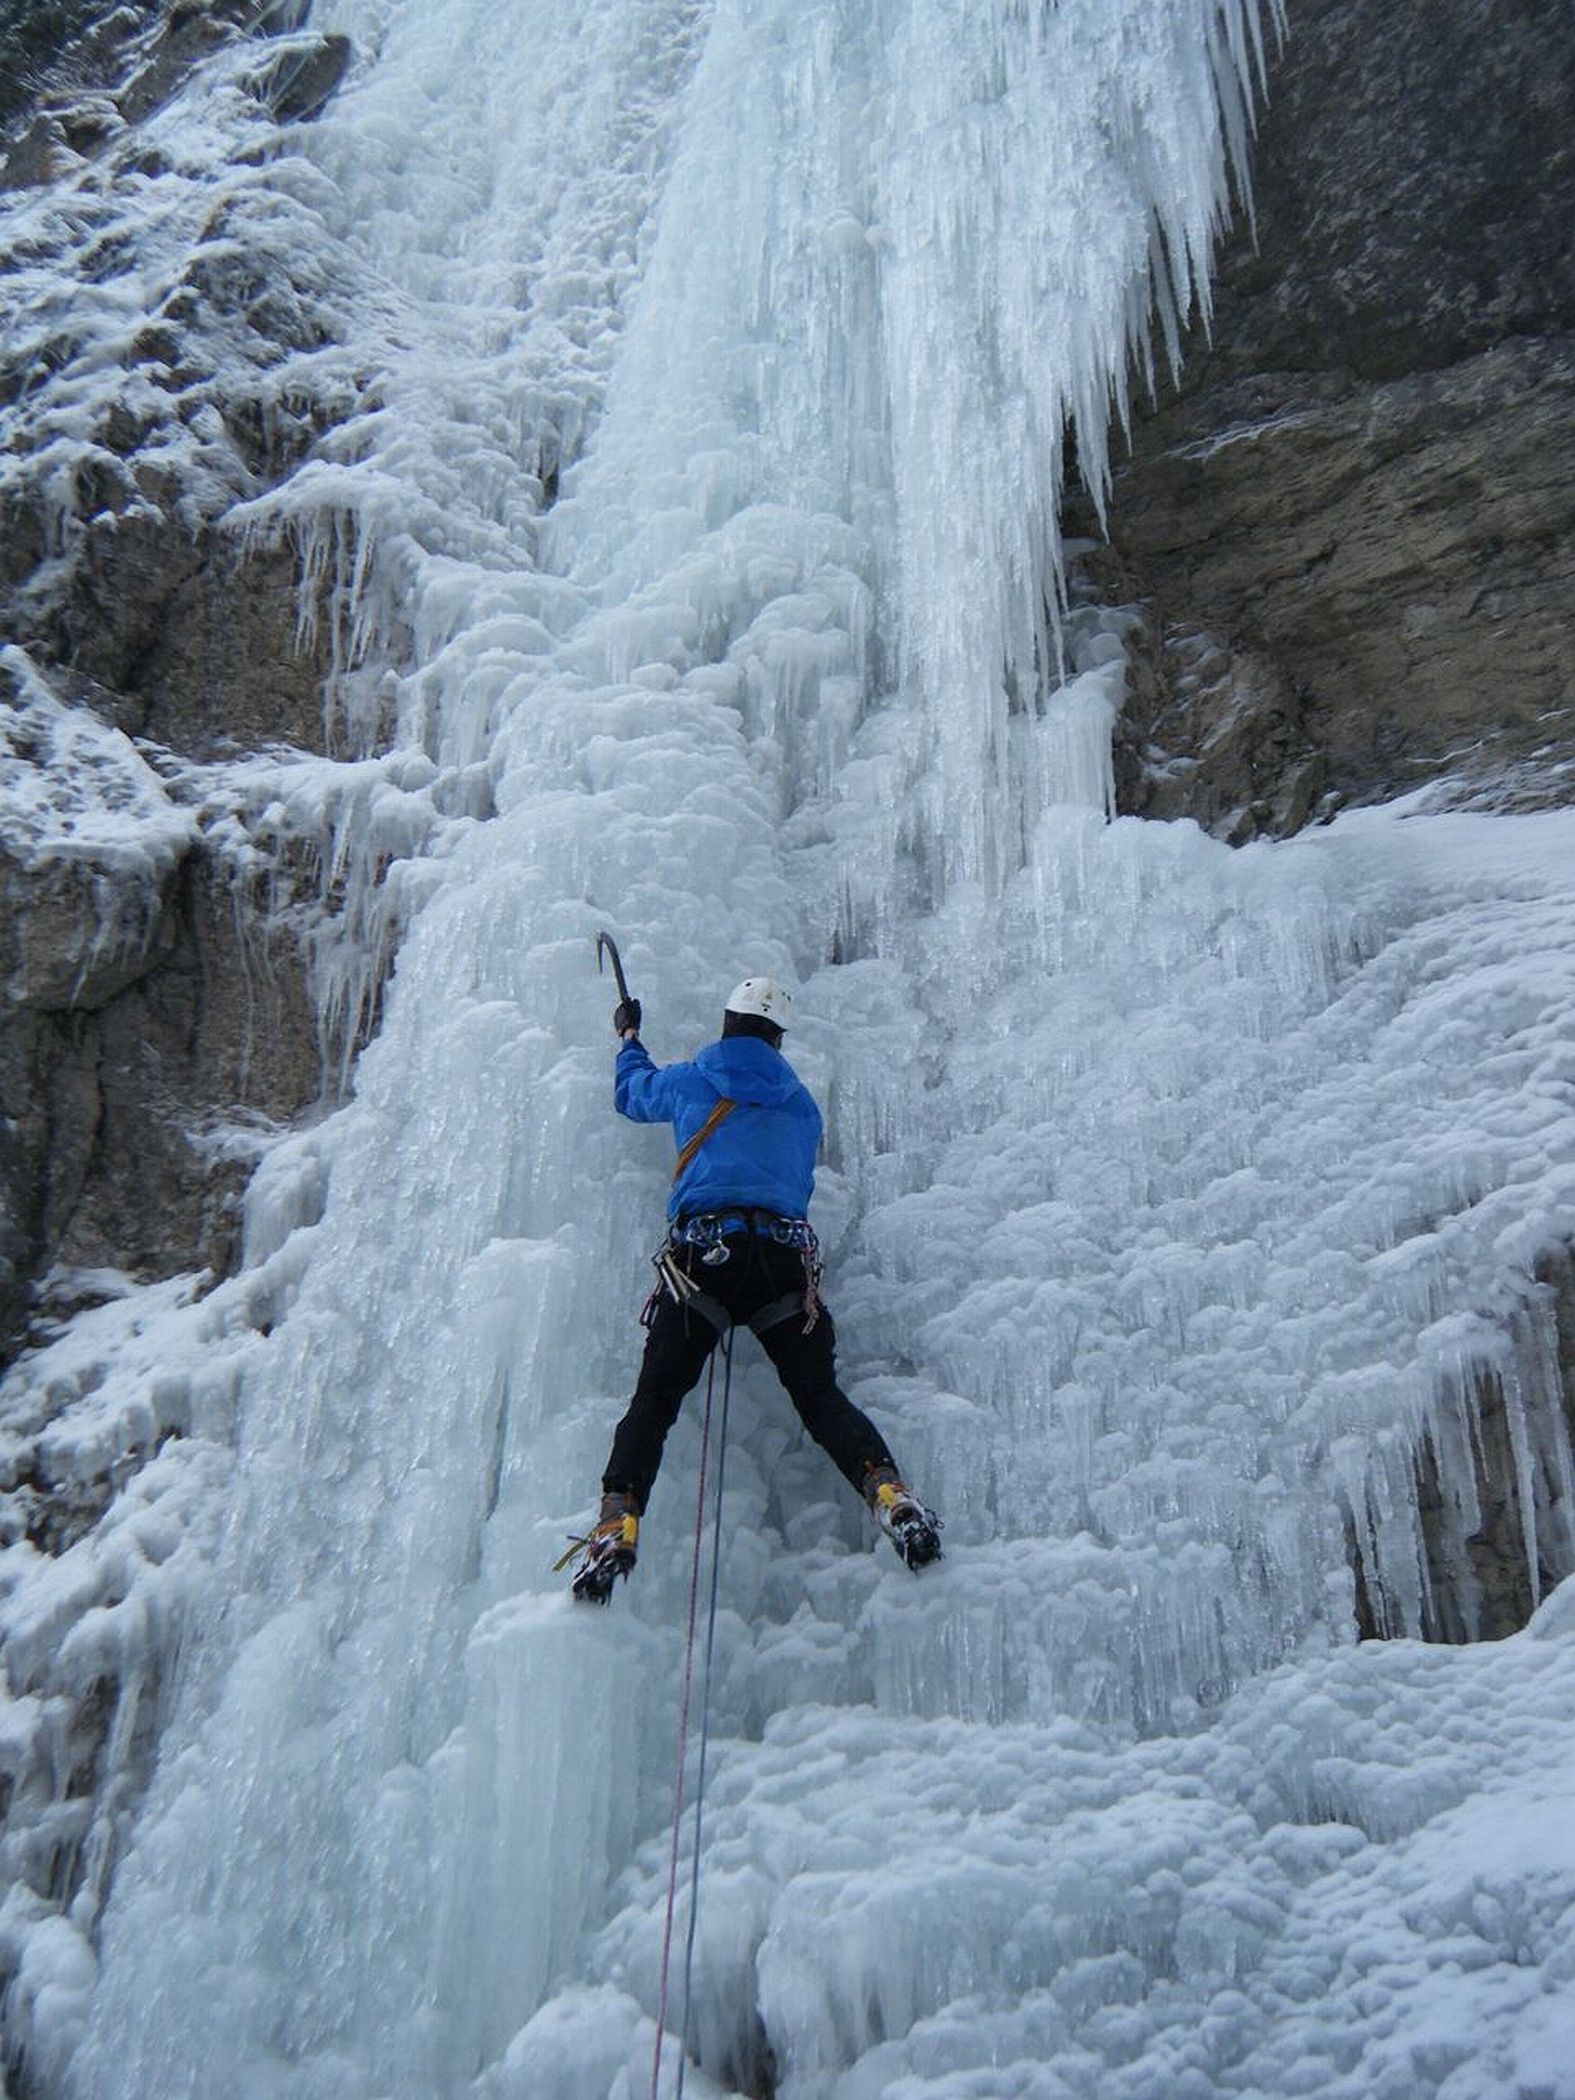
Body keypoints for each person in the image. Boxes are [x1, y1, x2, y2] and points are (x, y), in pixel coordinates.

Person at [567, 973, 942, 1604]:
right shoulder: (801, 1104)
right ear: (778, 1038)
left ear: (727, 1023)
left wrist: (629, 1037)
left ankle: (616, 1523)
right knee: (820, 1399)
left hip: (702, 1261)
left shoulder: (691, 1079)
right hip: (781, 1264)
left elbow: (632, 1095)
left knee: (655, 1401)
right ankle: (889, 1492)